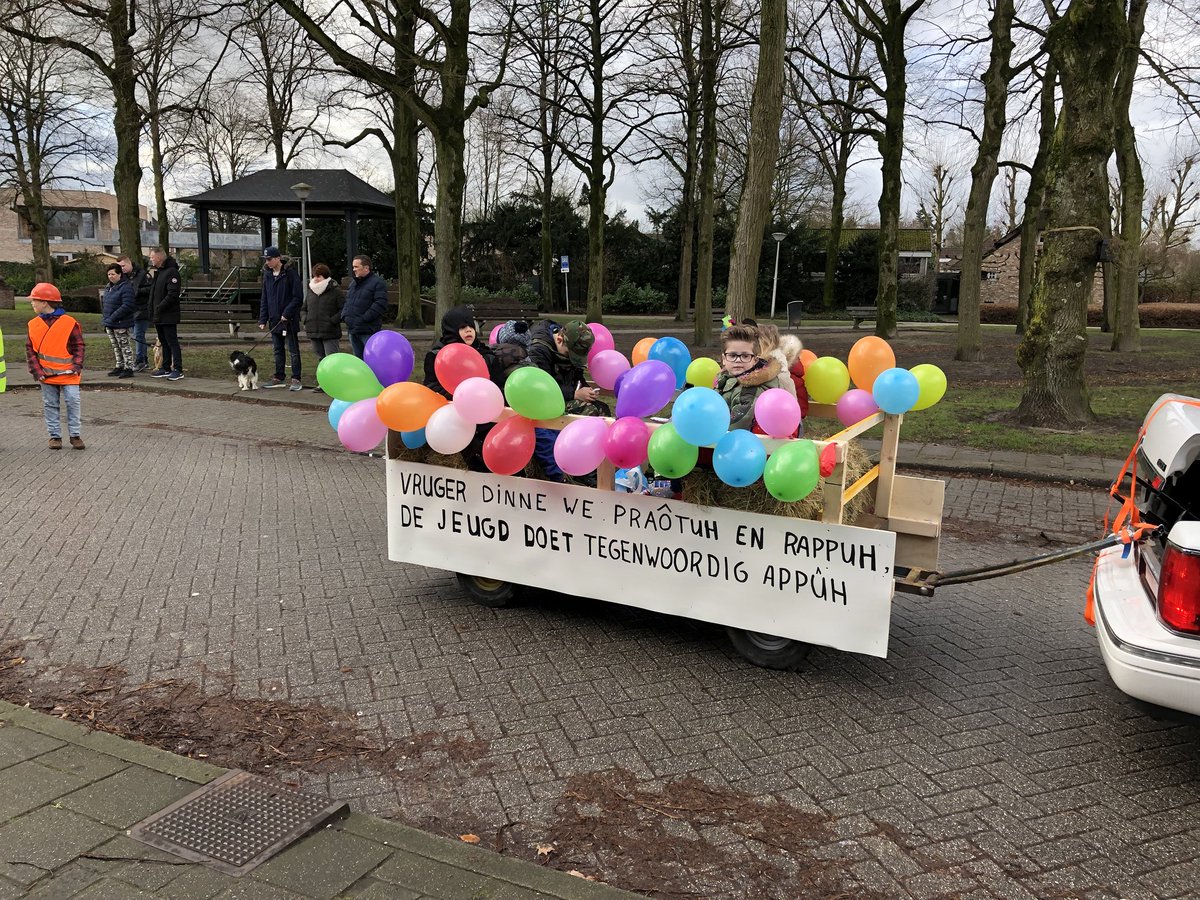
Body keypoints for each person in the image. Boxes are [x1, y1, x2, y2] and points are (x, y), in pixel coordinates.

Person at [526, 319, 607, 483]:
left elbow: (576, 375)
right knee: (590, 414)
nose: (572, 359)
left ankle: (600, 466)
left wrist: (585, 389)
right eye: (570, 355)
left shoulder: (569, 343)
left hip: (564, 396)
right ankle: (583, 471)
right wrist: (575, 394)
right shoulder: (538, 350)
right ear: (559, 339)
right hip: (545, 403)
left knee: (603, 409)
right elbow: (542, 388)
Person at [25, 282, 85, 449]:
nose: (31, 303)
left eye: (34, 300)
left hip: (69, 373)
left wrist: (77, 366)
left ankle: (75, 435)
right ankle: (55, 436)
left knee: (73, 401)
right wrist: (37, 371)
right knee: (50, 404)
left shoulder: (69, 322)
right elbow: (30, 351)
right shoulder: (33, 324)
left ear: (44, 302)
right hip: (46, 374)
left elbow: (78, 346)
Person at [715, 323, 783, 431]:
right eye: (732, 355)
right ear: (724, 358)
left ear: (755, 360)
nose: (738, 360)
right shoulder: (726, 379)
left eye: (745, 356)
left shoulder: (751, 390)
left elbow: (737, 424)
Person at [259, 246, 304, 390]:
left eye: (270, 259)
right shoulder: (267, 275)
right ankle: (279, 376)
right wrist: (262, 319)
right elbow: (265, 298)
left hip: (288, 320)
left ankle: (296, 378)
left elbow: (298, 297)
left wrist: (287, 313)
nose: (267, 262)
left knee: (293, 350)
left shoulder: (290, 274)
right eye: (266, 260)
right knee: (277, 350)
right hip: (274, 319)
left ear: (278, 259)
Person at [301, 262, 344, 393]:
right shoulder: (310, 291)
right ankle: (323, 383)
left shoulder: (335, 291)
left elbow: (343, 309)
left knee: (331, 359)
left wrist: (333, 320)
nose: (316, 278)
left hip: (330, 331)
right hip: (313, 330)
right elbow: (304, 308)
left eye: (319, 276)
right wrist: (305, 319)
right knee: (321, 358)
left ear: (325, 276)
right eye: (315, 276)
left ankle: (334, 384)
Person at [147, 247, 184, 381]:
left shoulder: (172, 272)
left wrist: (160, 307)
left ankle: (178, 369)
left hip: (168, 314)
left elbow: (172, 294)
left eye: (152, 257)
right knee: (164, 342)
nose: (150, 259)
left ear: (159, 257)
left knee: (172, 341)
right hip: (159, 315)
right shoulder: (159, 273)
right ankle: (165, 367)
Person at [342, 254, 389, 358]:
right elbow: (348, 301)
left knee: (372, 360)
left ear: (366, 268)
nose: (354, 269)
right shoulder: (353, 283)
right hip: (353, 330)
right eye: (353, 267)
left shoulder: (377, 283)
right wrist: (345, 316)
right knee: (358, 362)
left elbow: (380, 304)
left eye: (356, 267)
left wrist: (364, 319)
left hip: (367, 330)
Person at [101, 263, 137, 378]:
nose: (111, 276)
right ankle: (119, 365)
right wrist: (107, 320)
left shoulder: (126, 287)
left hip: (121, 322)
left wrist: (113, 317)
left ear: (120, 274)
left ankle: (128, 367)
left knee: (124, 345)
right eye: (109, 274)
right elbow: (106, 305)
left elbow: (127, 305)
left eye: (113, 274)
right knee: (116, 346)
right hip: (109, 322)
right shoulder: (109, 287)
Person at [119, 255, 151, 371]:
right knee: (138, 336)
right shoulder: (125, 277)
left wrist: (137, 291)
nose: (121, 268)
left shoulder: (142, 275)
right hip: (132, 310)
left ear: (129, 264)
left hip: (142, 309)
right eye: (120, 266)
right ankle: (143, 360)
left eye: (123, 266)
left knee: (138, 334)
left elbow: (150, 289)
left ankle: (140, 360)